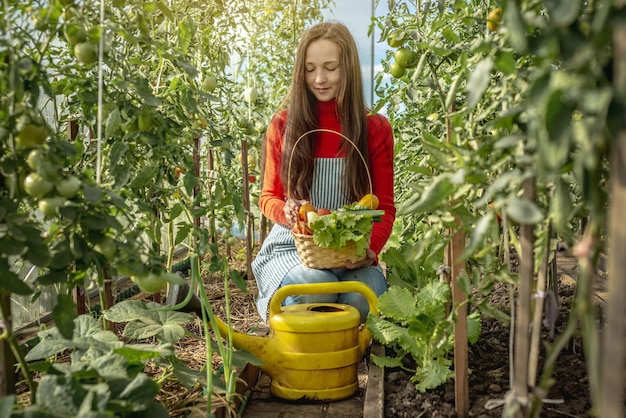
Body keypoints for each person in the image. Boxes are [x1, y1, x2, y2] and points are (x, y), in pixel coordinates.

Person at [251, 21, 395, 323]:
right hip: (294, 247)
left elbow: (384, 207)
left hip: (350, 248)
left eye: (330, 68)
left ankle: (341, 358)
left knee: (365, 293)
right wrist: (288, 211)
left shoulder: (374, 129)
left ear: (349, 69)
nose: (319, 79)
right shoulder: (284, 125)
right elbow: (268, 198)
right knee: (314, 286)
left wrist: (369, 250)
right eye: (310, 68)